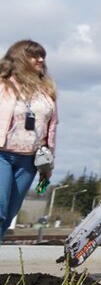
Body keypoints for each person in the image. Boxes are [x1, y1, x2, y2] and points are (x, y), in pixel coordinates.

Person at [0, 41, 58, 245]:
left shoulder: (47, 91)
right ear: (20, 58)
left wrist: (48, 164)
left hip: (29, 161)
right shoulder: (3, 85)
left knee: (9, 214)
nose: (41, 60)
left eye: (42, 56)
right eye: (35, 56)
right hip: (2, 155)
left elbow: (52, 128)